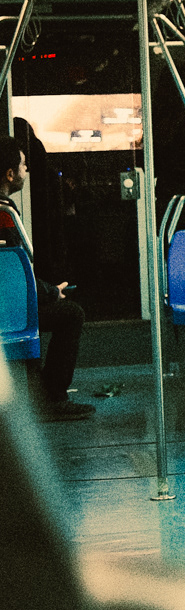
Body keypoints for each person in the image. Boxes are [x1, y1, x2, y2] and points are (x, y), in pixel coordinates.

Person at [0, 135, 92, 420]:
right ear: (10, 174)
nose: (27, 170)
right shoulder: (5, 214)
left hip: (8, 301)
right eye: (23, 165)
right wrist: (52, 292)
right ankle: (53, 399)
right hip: (8, 309)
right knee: (71, 314)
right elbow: (13, 276)